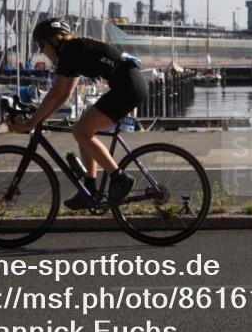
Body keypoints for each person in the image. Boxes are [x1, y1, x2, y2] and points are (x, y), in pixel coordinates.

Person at [8, 18, 148, 209]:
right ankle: (89, 189)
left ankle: (120, 178)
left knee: (81, 132)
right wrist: (38, 116)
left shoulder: (70, 51)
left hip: (128, 87)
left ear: (55, 39)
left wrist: (31, 123)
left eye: (41, 44)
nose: (41, 51)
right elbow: (63, 95)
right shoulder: (71, 51)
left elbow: (56, 93)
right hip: (129, 84)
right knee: (82, 131)